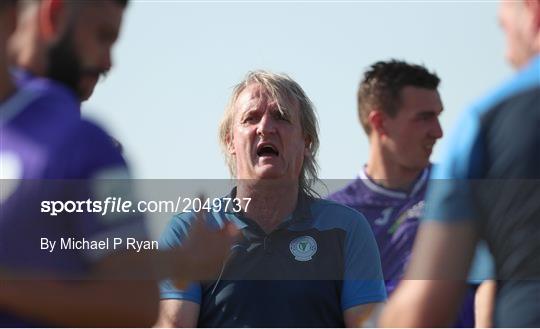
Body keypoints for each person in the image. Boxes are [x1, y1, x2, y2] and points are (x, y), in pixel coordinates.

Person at [0, 0, 236, 326]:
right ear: (53, 15)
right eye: (102, 36)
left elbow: (133, 301)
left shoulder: (89, 147)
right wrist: (174, 262)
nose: (108, 61)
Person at [156, 70, 387, 327]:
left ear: (307, 142)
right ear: (230, 141)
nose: (265, 128)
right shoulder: (190, 232)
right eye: (250, 118)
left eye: (281, 117)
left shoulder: (347, 229)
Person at [380, 0, 540, 327]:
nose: (507, 55)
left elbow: (421, 314)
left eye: (504, 27)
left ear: (533, 15)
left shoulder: (487, 123)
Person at [327, 59, 482, 327]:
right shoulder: (333, 218)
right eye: (424, 118)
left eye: (438, 115)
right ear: (380, 123)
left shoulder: (465, 191)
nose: (438, 132)